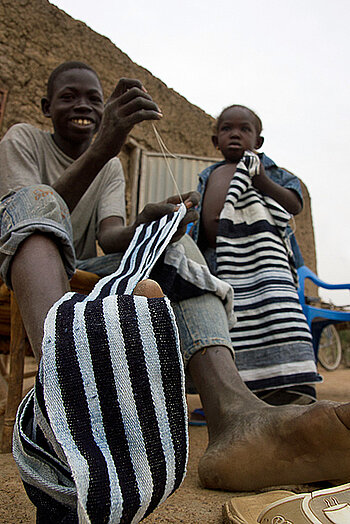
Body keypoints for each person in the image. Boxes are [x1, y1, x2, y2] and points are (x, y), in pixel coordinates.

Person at [1, 63, 350, 498]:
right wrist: (104, 146)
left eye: (94, 98)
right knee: (36, 198)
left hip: (85, 268)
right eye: (70, 96)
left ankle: (236, 418)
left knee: (174, 245)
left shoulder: (110, 169)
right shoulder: (23, 139)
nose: (83, 106)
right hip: (28, 267)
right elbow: (30, 219)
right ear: (45, 105)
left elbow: (109, 236)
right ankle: (65, 398)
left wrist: (148, 222)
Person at [191, 104, 319, 406]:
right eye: (226, 129)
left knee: (277, 319)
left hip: (264, 263)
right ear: (215, 141)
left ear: (258, 142)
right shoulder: (209, 174)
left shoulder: (272, 172)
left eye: (244, 129)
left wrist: (260, 180)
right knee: (230, 327)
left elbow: (293, 205)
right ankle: (237, 401)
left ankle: (290, 391)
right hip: (218, 262)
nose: (235, 134)